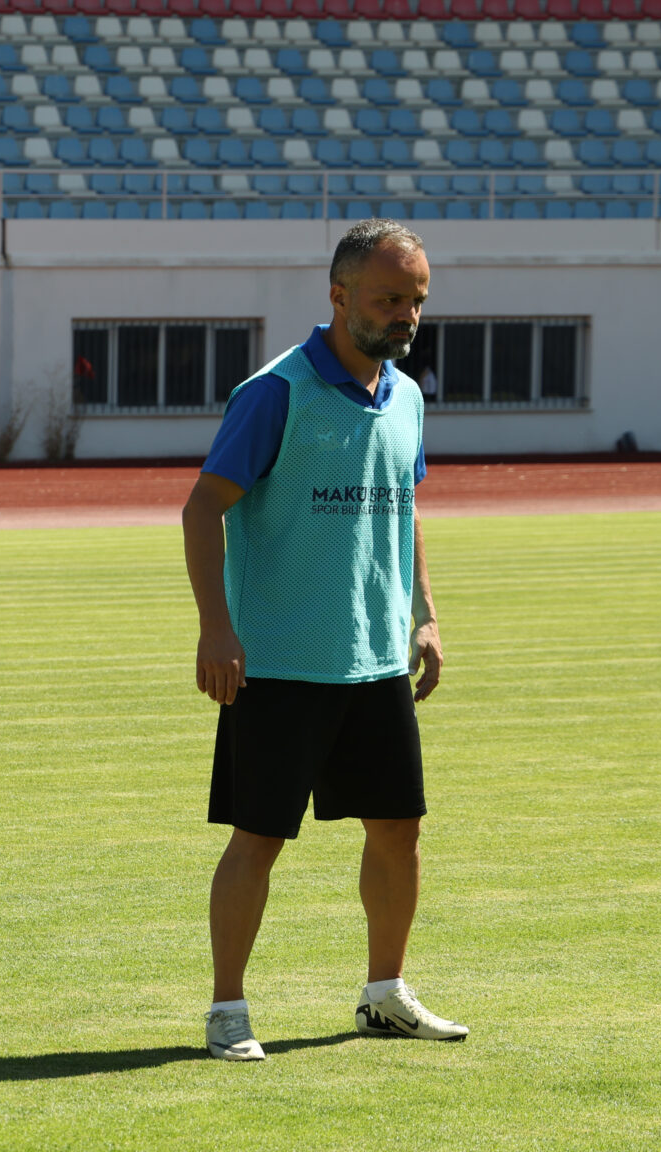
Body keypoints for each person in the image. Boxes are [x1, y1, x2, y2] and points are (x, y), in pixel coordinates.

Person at [180, 218, 468, 1062]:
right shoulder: (275, 392)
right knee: (259, 837)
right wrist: (215, 627)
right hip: (278, 661)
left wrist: (424, 613)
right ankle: (227, 1012)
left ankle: (386, 995)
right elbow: (203, 509)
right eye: (389, 298)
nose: (406, 316)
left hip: (375, 659)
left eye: (416, 300)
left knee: (399, 828)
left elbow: (405, 511)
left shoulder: (407, 397)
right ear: (338, 296)